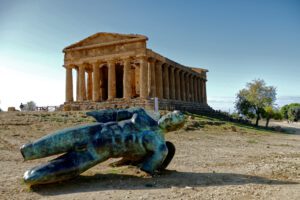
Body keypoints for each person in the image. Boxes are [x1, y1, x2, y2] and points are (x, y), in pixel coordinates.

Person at [20, 108, 185, 186]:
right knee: (34, 147)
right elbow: (116, 114)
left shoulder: (160, 147)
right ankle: (28, 151)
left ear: (174, 128)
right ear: (166, 115)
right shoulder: (141, 115)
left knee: (34, 177)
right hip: (94, 131)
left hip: (99, 151)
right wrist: (96, 114)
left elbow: (147, 168)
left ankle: (34, 176)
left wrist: (140, 163)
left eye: (173, 121)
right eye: (170, 116)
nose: (169, 120)